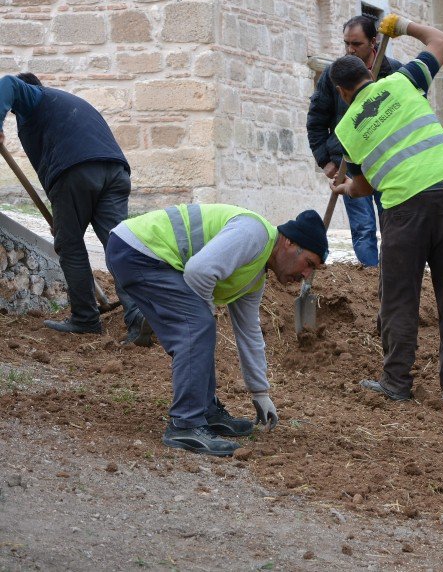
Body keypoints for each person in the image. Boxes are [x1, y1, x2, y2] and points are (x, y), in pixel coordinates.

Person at [328, 14, 443, 409]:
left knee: (399, 299)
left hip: (404, 211)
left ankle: (396, 383)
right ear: (368, 75)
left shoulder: (347, 130)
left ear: (343, 93)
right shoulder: (404, 80)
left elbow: (363, 185)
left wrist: (344, 187)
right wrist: (404, 26)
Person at [105, 204, 328, 456]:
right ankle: (185, 424)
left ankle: (205, 411)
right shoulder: (254, 235)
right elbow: (199, 271)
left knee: (200, 325)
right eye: (308, 263)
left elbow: (249, 332)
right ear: (288, 243)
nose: (307, 275)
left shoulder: (255, 276)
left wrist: (260, 392)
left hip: (146, 255)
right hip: (140, 251)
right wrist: (202, 317)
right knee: (198, 326)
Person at [0, 73, 149, 345]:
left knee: (70, 246)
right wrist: (60, 214)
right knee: (118, 245)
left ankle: (85, 319)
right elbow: (51, 167)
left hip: (77, 171)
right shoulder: (66, 106)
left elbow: (7, 83)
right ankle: (138, 315)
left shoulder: (37, 97)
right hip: (114, 171)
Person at [306, 15, 403, 266]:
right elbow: (316, 118)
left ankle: (390, 275)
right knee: (363, 227)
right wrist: (324, 160)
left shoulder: (393, 73)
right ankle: (371, 278)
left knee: (392, 223)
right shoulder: (333, 75)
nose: (350, 49)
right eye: (346, 43)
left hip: (387, 163)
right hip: (347, 163)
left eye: (356, 44)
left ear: (374, 42)